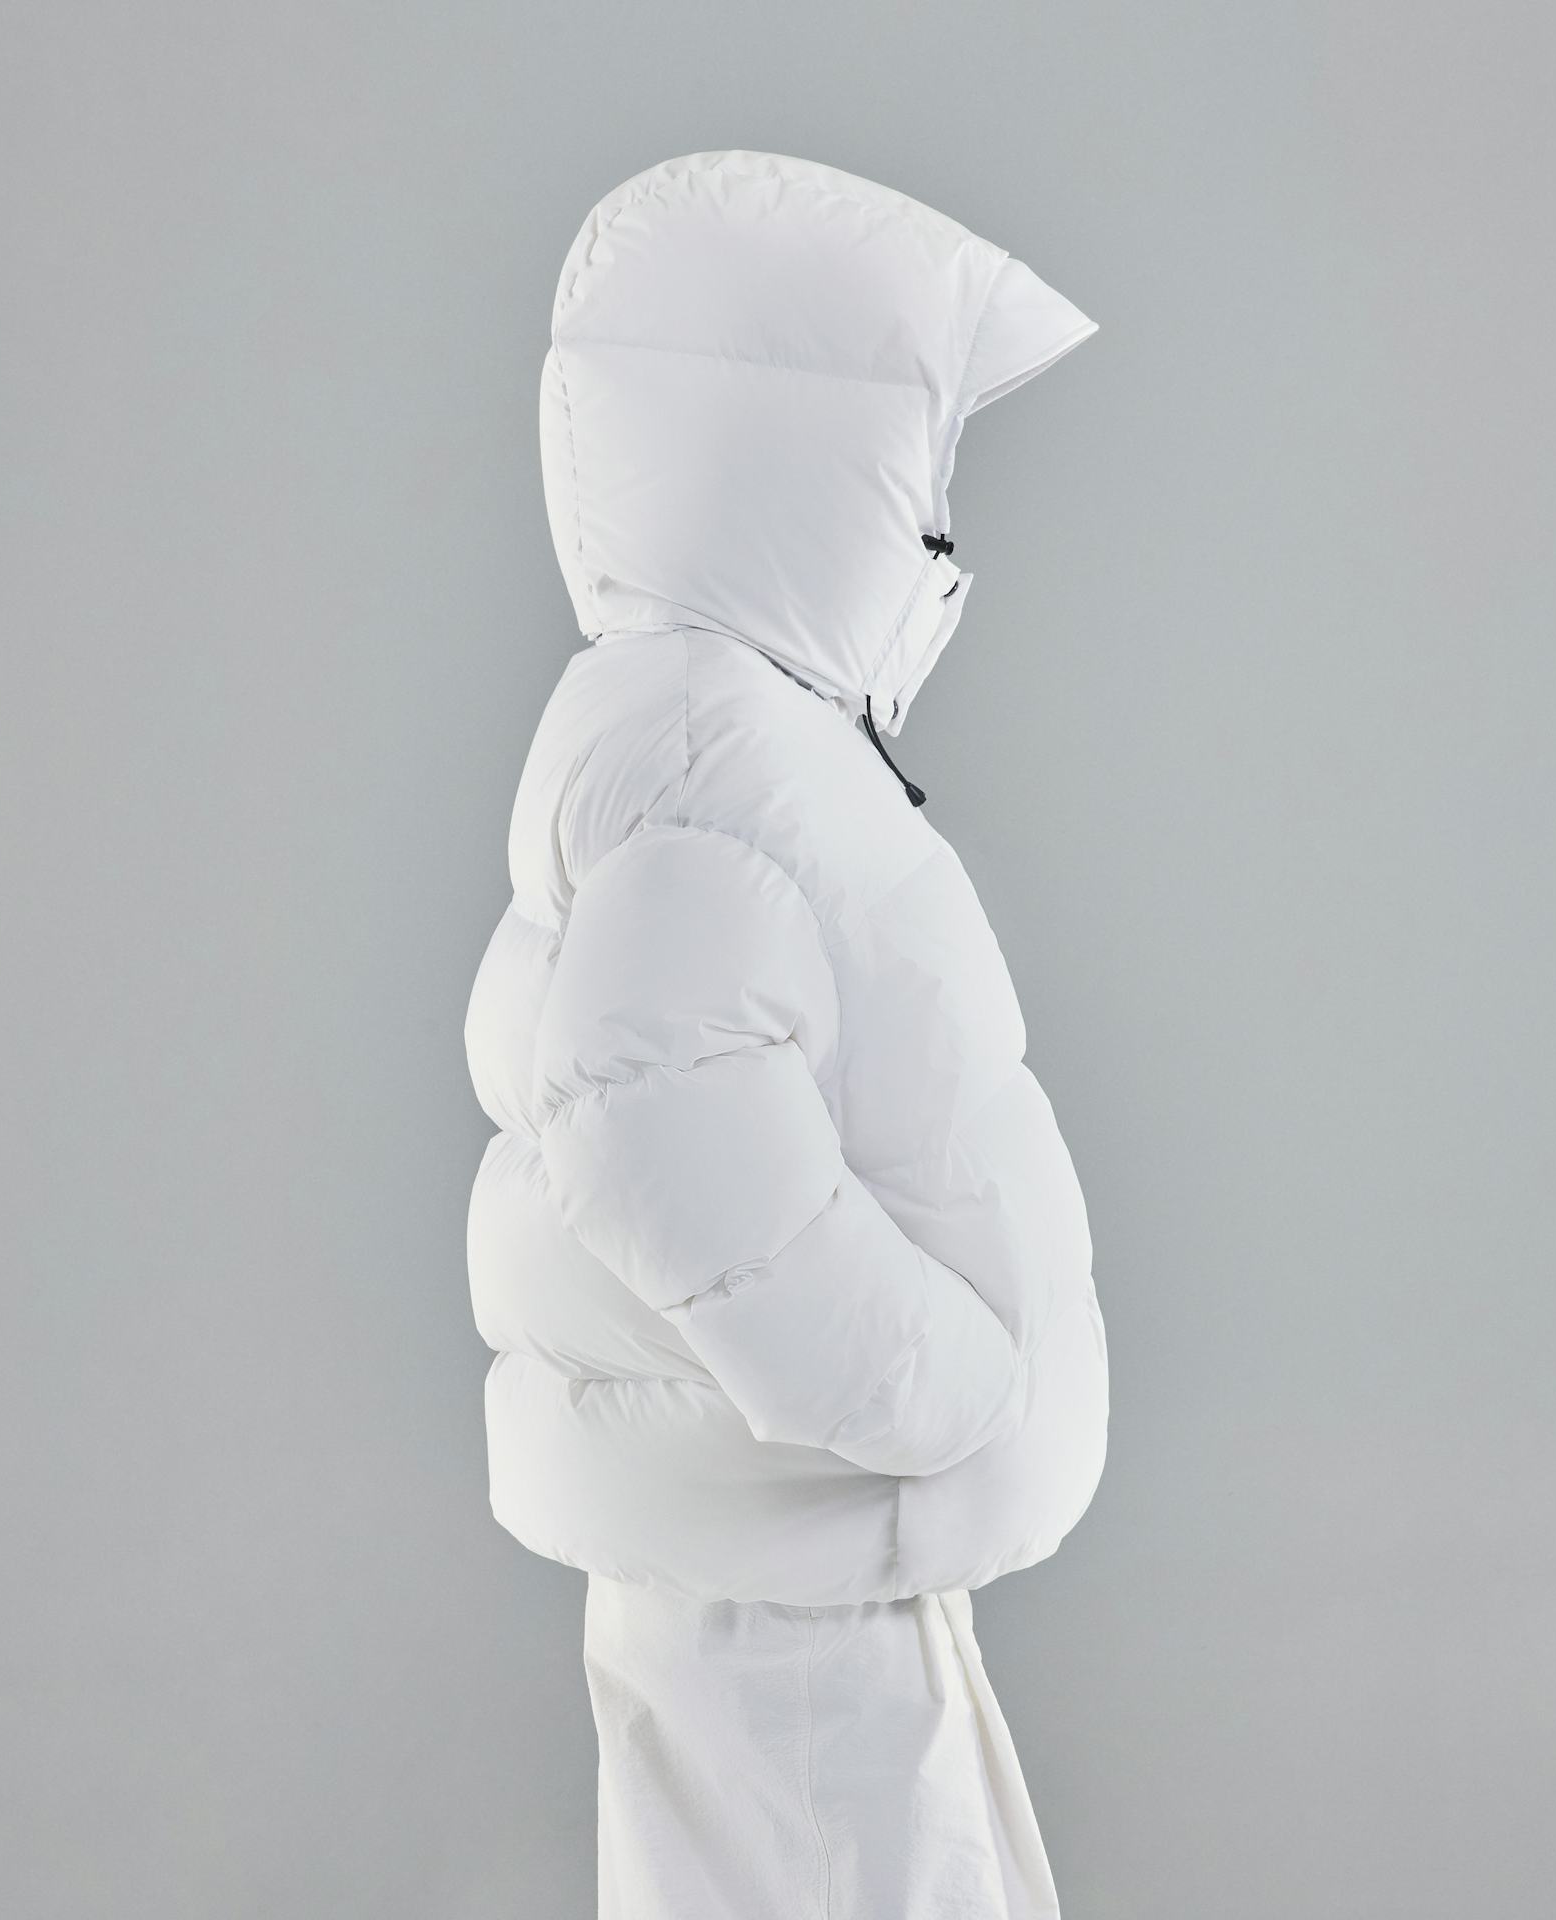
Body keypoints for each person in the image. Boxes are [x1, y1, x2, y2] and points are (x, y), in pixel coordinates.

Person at [465, 149, 1109, 1920]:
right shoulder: (713, 756)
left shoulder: (710, 728)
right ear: (810, 466)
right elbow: (655, 1124)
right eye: (921, 469)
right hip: (795, 1571)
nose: (943, 533)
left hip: (790, 1544)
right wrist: (944, 1388)